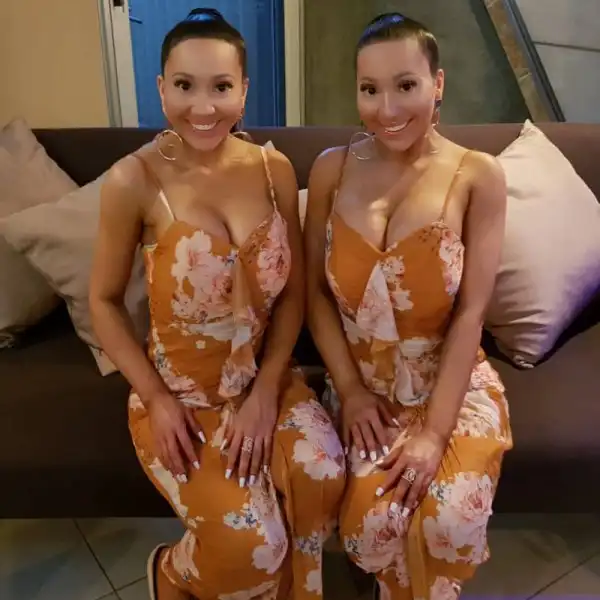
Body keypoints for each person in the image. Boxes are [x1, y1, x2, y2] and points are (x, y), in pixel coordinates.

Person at [89, 8, 345, 600]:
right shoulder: (133, 180)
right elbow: (102, 301)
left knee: (323, 477)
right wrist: (156, 399)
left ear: (244, 90)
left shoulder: (272, 168)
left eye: (221, 87)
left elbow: (293, 295)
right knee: (252, 550)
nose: (203, 107)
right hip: (183, 398)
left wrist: (267, 390)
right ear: (161, 88)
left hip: (267, 381)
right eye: (185, 85)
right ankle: (172, 572)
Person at [304, 12, 513, 600]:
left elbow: (471, 312)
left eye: (406, 85)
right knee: (371, 529)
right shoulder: (332, 168)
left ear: (437, 84)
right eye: (369, 89)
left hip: (450, 385)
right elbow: (313, 294)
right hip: (364, 390)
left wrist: (434, 433)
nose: (387, 109)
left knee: (447, 521)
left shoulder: (477, 175)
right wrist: (350, 390)